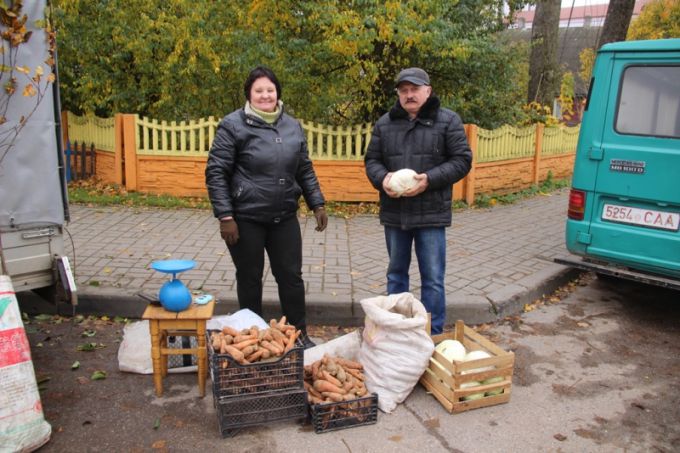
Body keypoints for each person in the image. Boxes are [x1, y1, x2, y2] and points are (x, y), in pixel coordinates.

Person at [205, 66, 327, 348]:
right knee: (249, 279)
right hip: (245, 218)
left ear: (277, 93)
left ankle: (298, 335)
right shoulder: (233, 125)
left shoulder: (292, 125)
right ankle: (252, 338)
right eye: (258, 90)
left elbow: (304, 168)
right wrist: (225, 216)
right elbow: (216, 171)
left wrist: (316, 202)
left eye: (270, 90)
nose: (265, 95)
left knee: (291, 277)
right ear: (249, 93)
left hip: (284, 216)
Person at [364, 67, 472, 335]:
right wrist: (383, 178)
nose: (409, 95)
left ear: (428, 90)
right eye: (404, 90)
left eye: (414, 89)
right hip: (395, 213)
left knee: (433, 279)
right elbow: (372, 161)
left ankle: (432, 332)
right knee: (396, 275)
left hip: (431, 214)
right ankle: (398, 330)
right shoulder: (385, 123)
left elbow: (462, 160)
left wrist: (430, 179)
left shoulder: (448, 121)